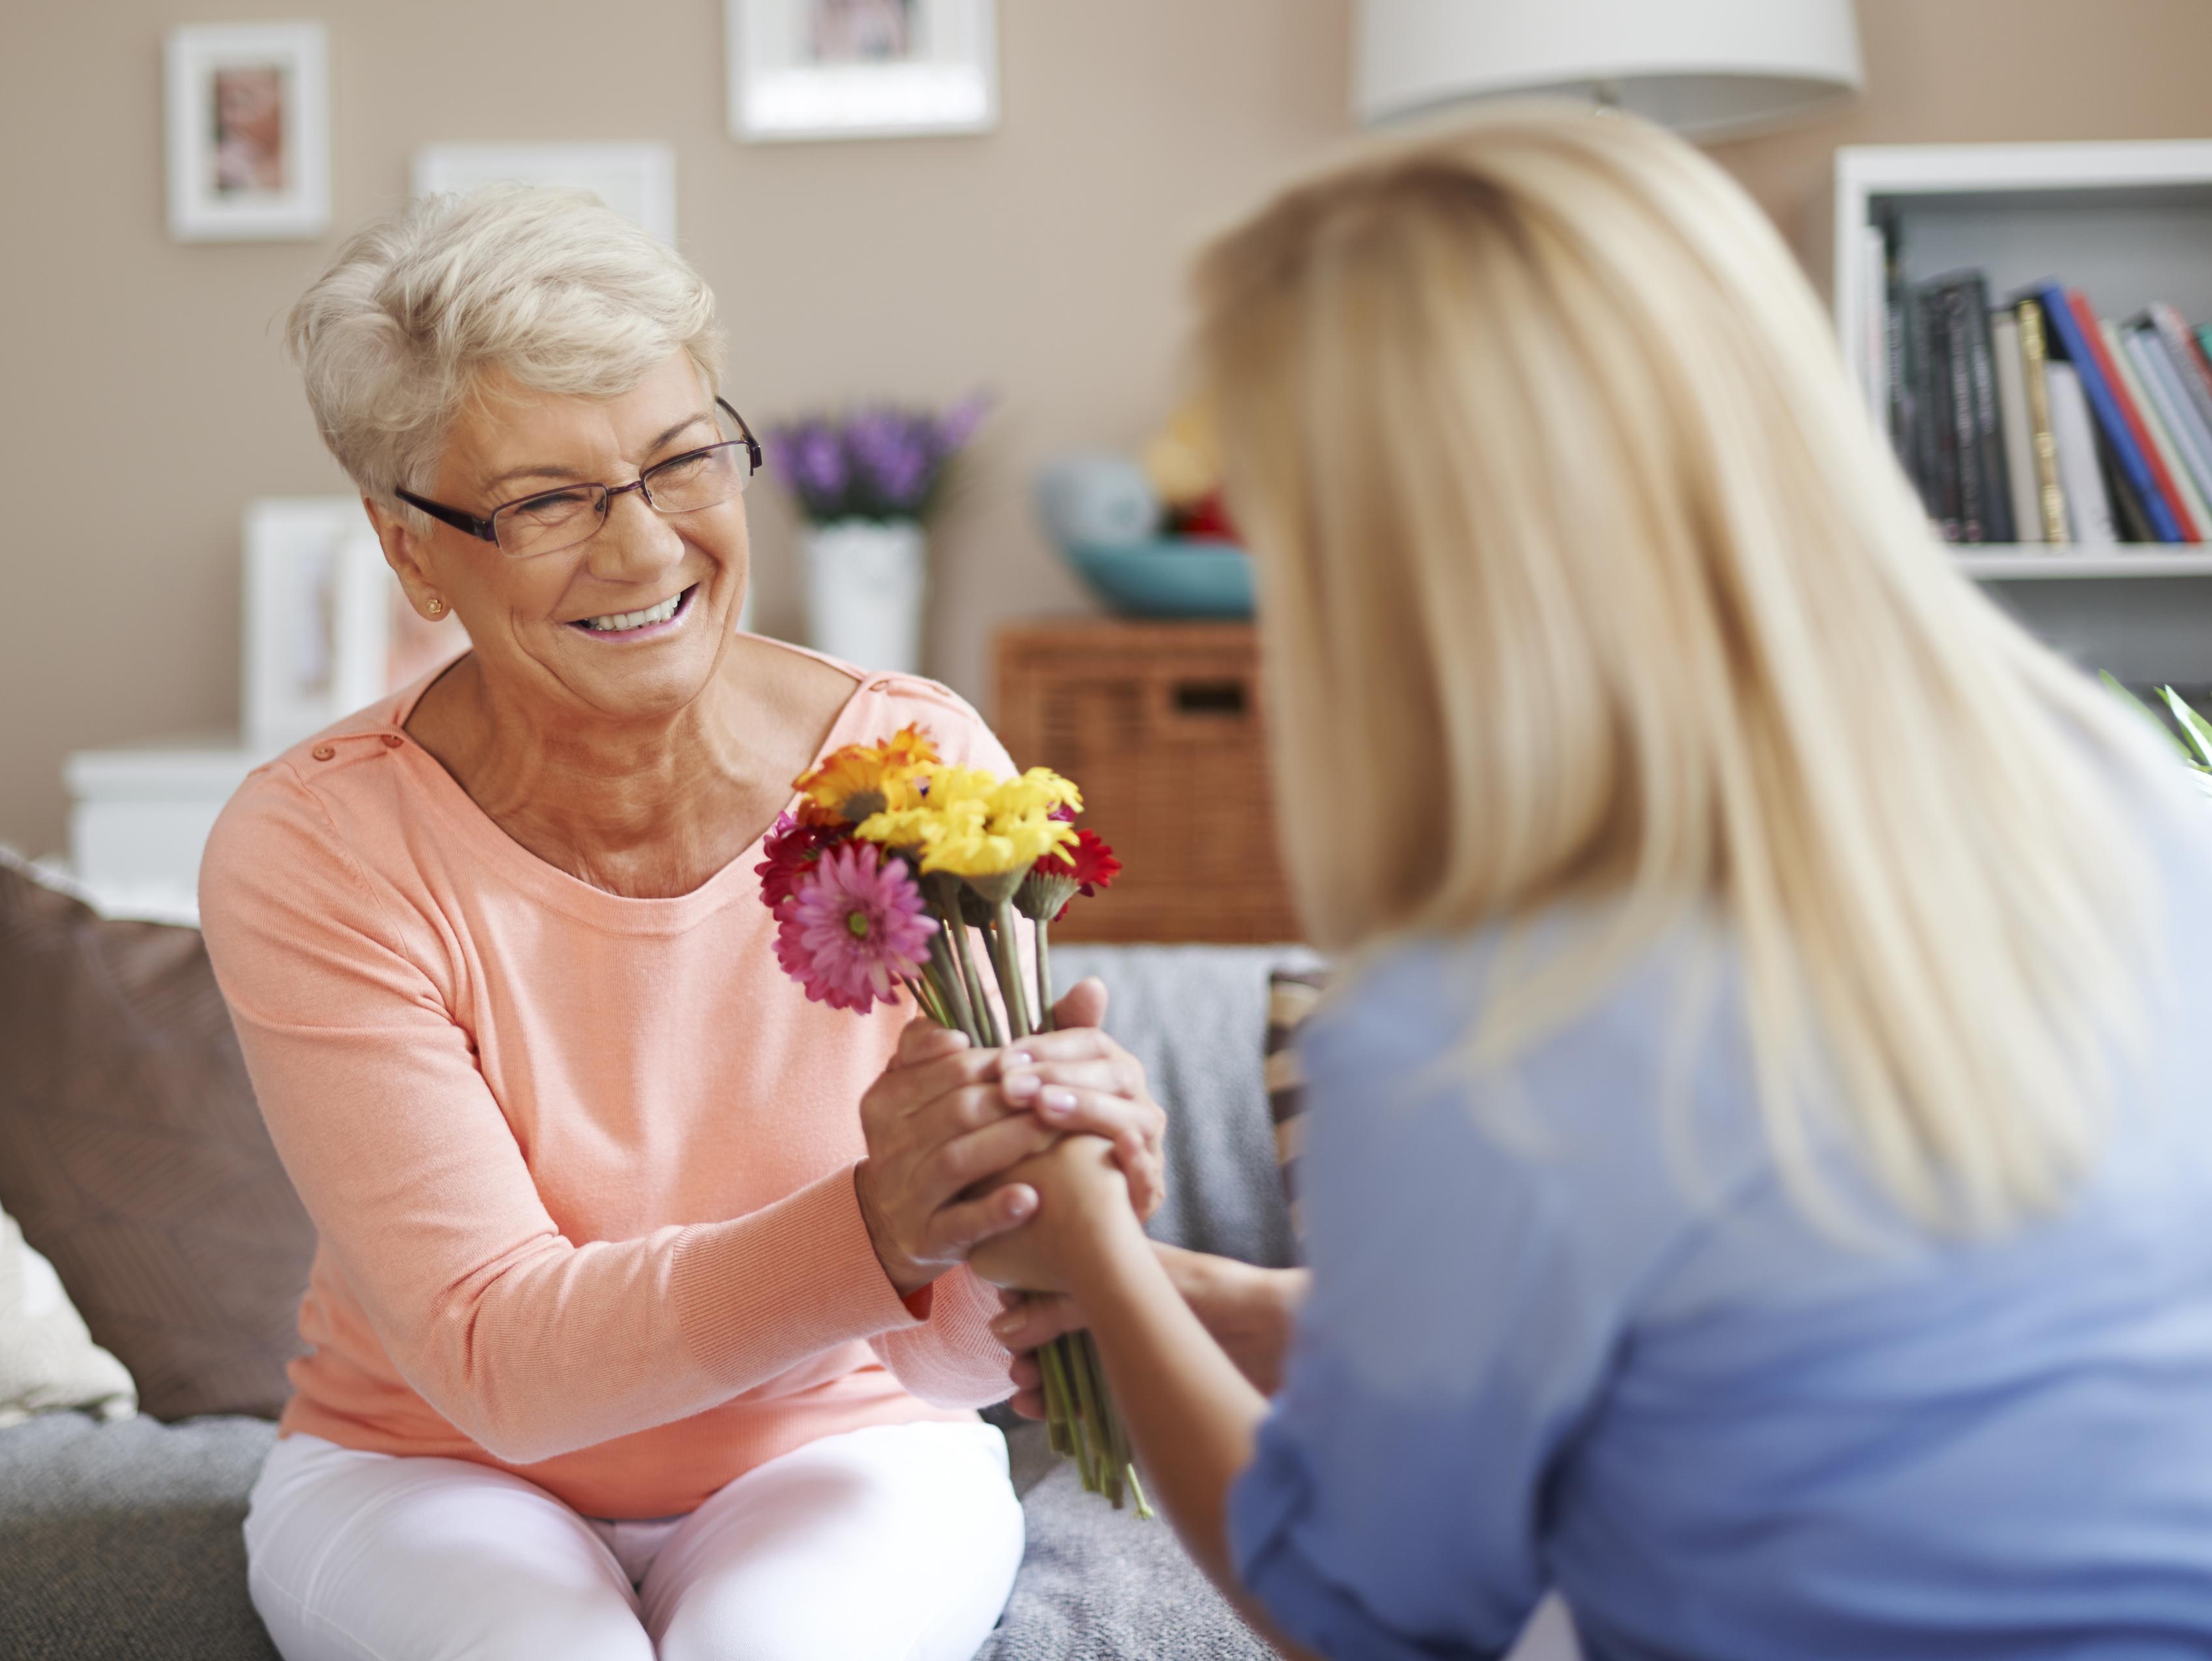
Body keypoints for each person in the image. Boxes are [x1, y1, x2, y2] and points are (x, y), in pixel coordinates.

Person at [972, 103, 2212, 1660]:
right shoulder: (2120, 794)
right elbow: (1751, 1357)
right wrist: (1205, 1298)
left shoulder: (1482, 1032)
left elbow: (1356, 1605)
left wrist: (1093, 1248)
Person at [197, 183, 1170, 1661]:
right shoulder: (317, 844)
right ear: (412, 549)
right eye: (544, 502)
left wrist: (1042, 1201)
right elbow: (495, 1357)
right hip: (430, 1465)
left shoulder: (908, 770)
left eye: (681, 461)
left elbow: (952, 1352)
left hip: (838, 1442)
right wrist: (876, 1217)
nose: (646, 549)